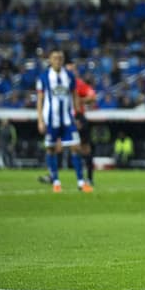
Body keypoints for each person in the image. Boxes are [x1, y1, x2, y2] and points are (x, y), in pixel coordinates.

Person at [36, 49, 92, 193]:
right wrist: (40, 120)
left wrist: (77, 115)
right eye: (55, 58)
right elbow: (40, 100)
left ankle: (81, 182)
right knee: (51, 149)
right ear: (50, 59)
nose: (58, 61)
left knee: (76, 147)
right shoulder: (44, 77)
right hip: (51, 119)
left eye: (60, 58)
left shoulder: (69, 76)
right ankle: (56, 182)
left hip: (67, 119)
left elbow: (74, 97)